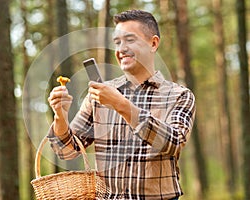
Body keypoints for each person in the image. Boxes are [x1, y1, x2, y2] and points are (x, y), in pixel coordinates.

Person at [48, 10, 195, 200]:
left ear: (153, 43)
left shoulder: (179, 95)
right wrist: (60, 116)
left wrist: (121, 105)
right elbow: (66, 151)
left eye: (130, 40)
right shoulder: (99, 95)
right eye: (117, 42)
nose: (121, 49)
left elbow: (173, 143)